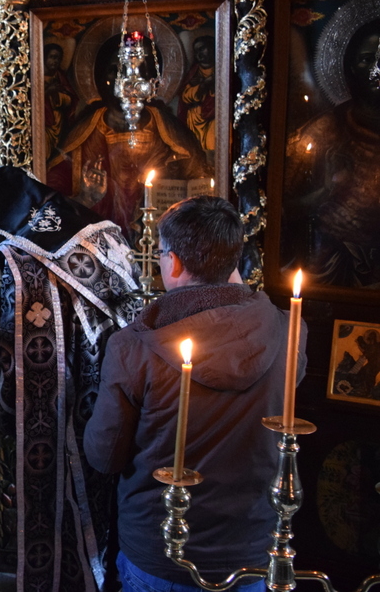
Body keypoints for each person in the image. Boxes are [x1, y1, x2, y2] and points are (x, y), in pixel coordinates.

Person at [84, 195, 308, 592]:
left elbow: (105, 455)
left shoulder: (133, 347)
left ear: (172, 262)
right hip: (257, 548)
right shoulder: (290, 331)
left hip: (163, 551)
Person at [0, 165, 142, 591]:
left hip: (65, 408)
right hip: (121, 389)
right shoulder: (98, 230)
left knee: (65, 507)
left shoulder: (24, 260)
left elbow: (25, 366)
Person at [47, 35, 211, 241]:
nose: (127, 82)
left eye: (137, 72)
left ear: (151, 80)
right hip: (100, 242)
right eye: (116, 71)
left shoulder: (167, 128)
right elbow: (50, 197)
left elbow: (199, 182)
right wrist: (86, 197)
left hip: (157, 241)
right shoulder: (85, 131)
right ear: (102, 77)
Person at [283, 17, 380, 289]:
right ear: (350, 68)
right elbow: (283, 208)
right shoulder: (324, 131)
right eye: (367, 59)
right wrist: (324, 192)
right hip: (330, 268)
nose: (377, 70)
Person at [177, 35, 217, 153]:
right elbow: (185, 96)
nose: (199, 54)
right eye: (196, 51)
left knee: (212, 147)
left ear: (211, 48)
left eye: (202, 49)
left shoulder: (222, 70)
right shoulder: (193, 72)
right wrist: (203, 85)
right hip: (194, 117)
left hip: (214, 117)